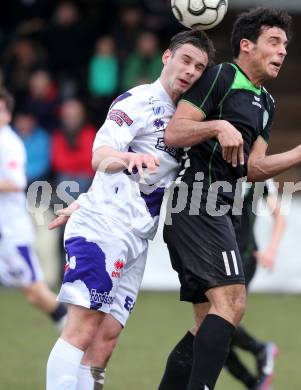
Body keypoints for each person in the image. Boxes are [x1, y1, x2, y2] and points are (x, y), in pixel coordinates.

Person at [158, 7, 301, 390]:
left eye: (286, 45)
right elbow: (174, 132)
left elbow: (252, 168)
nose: (282, 51)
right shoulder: (220, 77)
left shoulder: (266, 104)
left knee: (206, 322)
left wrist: (300, 152)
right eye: (274, 42)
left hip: (222, 208)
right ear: (246, 45)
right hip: (197, 200)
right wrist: (218, 124)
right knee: (233, 303)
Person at [46, 30, 215, 390]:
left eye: (199, 67)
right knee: (83, 328)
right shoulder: (136, 102)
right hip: (104, 227)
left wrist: (83, 199)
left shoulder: (187, 119)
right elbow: (100, 156)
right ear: (166, 58)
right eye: (185, 60)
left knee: (106, 339)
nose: (190, 71)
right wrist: (128, 157)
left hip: (136, 237)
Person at [0, 88, 67, 330]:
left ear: (8, 114)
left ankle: (71, 327)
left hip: (11, 232)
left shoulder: (9, 142)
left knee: (34, 292)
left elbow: (16, 183)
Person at [225, 179, 285, 389]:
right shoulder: (212, 165)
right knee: (209, 333)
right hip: (215, 258)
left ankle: (260, 352)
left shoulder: (259, 175)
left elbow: (279, 216)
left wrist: (272, 250)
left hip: (243, 257)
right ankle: (255, 375)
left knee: (215, 327)